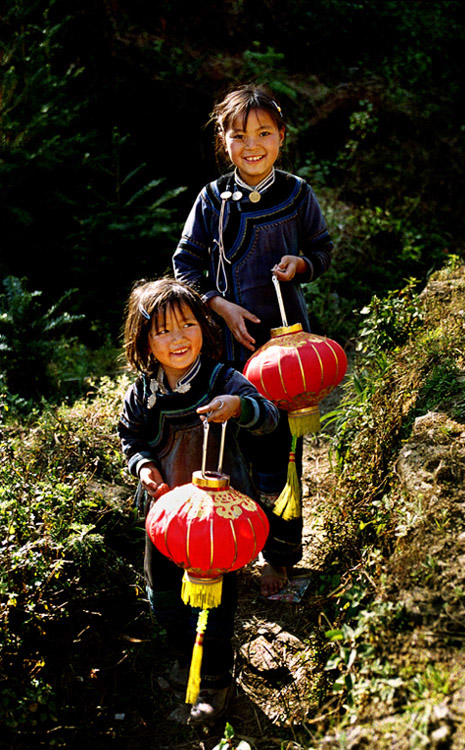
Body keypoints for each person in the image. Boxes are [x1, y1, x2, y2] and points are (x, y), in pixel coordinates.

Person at [173, 83, 333, 596]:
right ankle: (227, 547)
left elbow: (323, 250)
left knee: (281, 453)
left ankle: (280, 558)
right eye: (239, 135)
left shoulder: (297, 193)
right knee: (227, 450)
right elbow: (185, 267)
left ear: (281, 137)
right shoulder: (213, 199)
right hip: (226, 350)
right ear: (224, 140)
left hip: (286, 356)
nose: (252, 145)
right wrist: (218, 305)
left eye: (263, 133)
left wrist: (301, 263)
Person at [117, 277, 279, 725]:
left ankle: (215, 682)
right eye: (164, 330)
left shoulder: (223, 378)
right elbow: (130, 439)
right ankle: (185, 654)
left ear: (204, 329)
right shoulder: (141, 394)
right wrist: (144, 467)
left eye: (187, 324)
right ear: (145, 341)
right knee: (163, 593)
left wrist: (238, 407)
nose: (178, 337)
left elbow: (267, 417)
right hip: (165, 515)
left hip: (217, 520)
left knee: (215, 603)